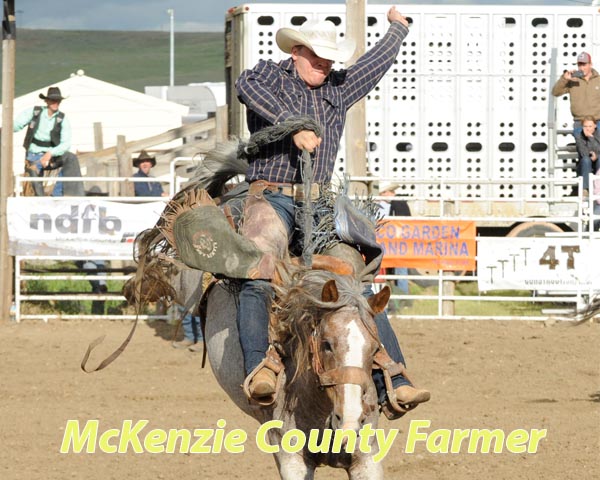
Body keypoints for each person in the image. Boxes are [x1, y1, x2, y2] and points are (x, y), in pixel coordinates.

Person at [235, 6, 430, 410]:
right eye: (317, 56)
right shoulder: (268, 75)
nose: (324, 64)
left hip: (319, 202)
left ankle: (392, 375)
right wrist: (296, 126)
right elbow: (246, 89)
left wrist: (397, 29)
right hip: (270, 195)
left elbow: (375, 64)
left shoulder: (337, 88)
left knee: (356, 282)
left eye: (329, 59)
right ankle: (260, 369)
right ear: (297, 51)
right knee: (258, 272)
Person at [13, 86, 84, 196]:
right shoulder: (35, 112)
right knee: (34, 185)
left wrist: (50, 153)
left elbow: (66, 143)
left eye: (58, 100)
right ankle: (40, 199)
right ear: (47, 101)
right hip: (34, 154)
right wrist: (5, 128)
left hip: (52, 156)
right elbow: (16, 125)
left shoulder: (62, 119)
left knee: (69, 160)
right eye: (53, 100)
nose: (55, 102)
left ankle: (58, 197)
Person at [377, 182, 411, 312]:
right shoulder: (381, 205)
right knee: (389, 270)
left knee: (399, 269)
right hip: (388, 242)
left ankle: (401, 299)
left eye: (386, 192)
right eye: (385, 192)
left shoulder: (398, 204)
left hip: (395, 242)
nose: (390, 194)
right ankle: (394, 300)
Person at [551, 52, 600, 137]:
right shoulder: (572, 80)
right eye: (579, 65)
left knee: (598, 149)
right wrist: (564, 79)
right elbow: (555, 92)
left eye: (584, 65)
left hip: (597, 121)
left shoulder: (598, 80)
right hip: (579, 122)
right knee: (582, 150)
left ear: (590, 64)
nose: (581, 68)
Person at [574, 116, 600, 195]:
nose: (588, 129)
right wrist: (589, 138)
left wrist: (591, 138)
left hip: (597, 163)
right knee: (586, 159)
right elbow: (583, 152)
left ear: (595, 126)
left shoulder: (599, 134)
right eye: (585, 126)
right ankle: (585, 189)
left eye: (590, 126)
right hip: (584, 165)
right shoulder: (579, 136)